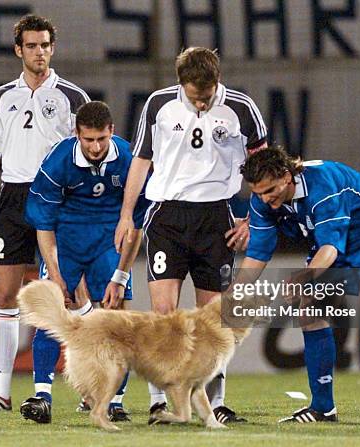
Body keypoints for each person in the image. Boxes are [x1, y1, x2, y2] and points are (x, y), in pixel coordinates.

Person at [114, 47, 267, 424]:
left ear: (217, 81)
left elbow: (265, 166)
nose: (200, 102)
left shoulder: (242, 108)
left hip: (217, 217)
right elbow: (142, 159)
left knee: (214, 317)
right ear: (181, 83)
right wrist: (125, 215)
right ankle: (158, 402)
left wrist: (252, 217)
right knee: (163, 313)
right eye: (194, 95)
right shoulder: (159, 104)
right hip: (167, 214)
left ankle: (215, 405)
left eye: (207, 95)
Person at [0, 14, 90, 413]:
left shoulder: (72, 97)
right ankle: (0, 392)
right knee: (5, 296)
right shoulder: (2, 97)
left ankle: (91, 386)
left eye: (45, 45)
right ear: (18, 50)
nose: (40, 52)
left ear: (53, 48)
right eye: (32, 45)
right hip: (13, 200)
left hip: (57, 199)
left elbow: (86, 156)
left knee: (73, 294)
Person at [236, 147, 360, 424]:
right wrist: (235, 294)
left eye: (270, 190)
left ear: (286, 175)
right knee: (308, 310)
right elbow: (258, 252)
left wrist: (303, 277)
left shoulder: (322, 184)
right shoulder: (262, 202)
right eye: (258, 193)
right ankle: (323, 408)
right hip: (332, 241)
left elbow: (330, 248)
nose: (266, 199)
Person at [20, 101, 150, 424]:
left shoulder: (129, 161)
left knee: (118, 320)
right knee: (53, 313)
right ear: (76, 133)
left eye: (101, 139)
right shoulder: (58, 161)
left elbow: (135, 224)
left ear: (112, 132)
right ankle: (42, 397)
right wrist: (54, 272)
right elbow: (44, 223)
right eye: (88, 139)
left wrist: (120, 275)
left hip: (109, 240)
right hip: (67, 241)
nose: (95, 147)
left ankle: (114, 401)